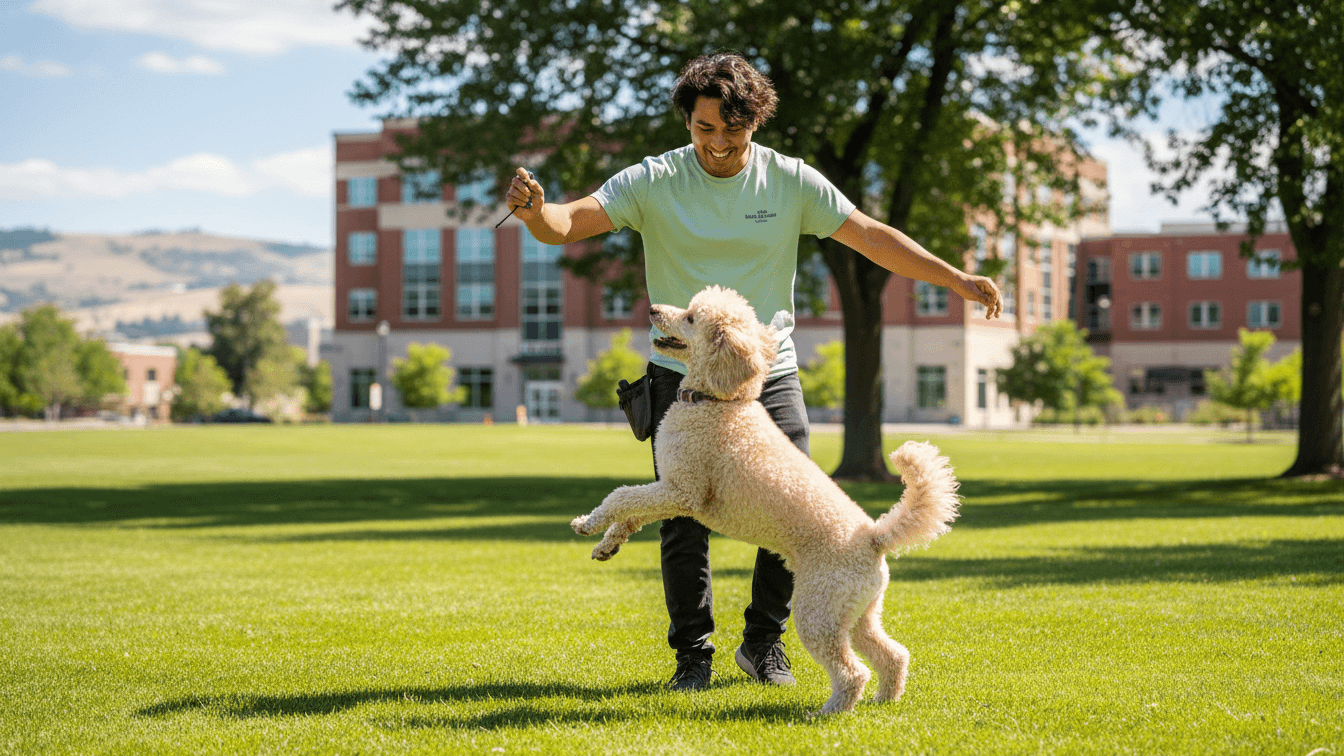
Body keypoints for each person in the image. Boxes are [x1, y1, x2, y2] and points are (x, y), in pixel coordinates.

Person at [504, 52, 1002, 692]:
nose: (717, 144)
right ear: (688, 121)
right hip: (678, 372)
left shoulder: (790, 181)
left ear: (755, 124)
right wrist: (535, 212)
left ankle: (763, 644)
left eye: (732, 131)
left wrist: (955, 278)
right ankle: (693, 657)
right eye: (704, 128)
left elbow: (872, 236)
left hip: (769, 373)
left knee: (801, 510)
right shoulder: (653, 178)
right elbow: (568, 223)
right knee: (681, 515)